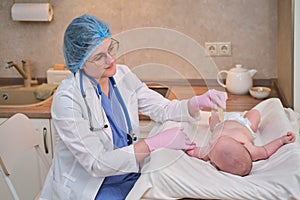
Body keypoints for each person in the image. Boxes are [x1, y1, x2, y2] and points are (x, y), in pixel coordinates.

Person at [40, 14, 228, 200]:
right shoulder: (67, 99)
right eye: (99, 57)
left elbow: (161, 108)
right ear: (79, 63)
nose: (111, 60)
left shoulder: (122, 75)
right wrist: (154, 143)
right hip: (91, 187)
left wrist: (195, 103)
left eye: (110, 49)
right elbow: (97, 162)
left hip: (129, 173)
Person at [186, 109, 296, 176]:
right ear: (242, 143)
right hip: (244, 124)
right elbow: (266, 150)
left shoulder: (210, 152)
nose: (211, 143)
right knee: (255, 114)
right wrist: (281, 140)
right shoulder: (251, 150)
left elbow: (195, 151)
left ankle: (215, 110)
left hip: (220, 124)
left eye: (211, 144)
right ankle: (247, 115)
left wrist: (187, 146)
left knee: (212, 119)